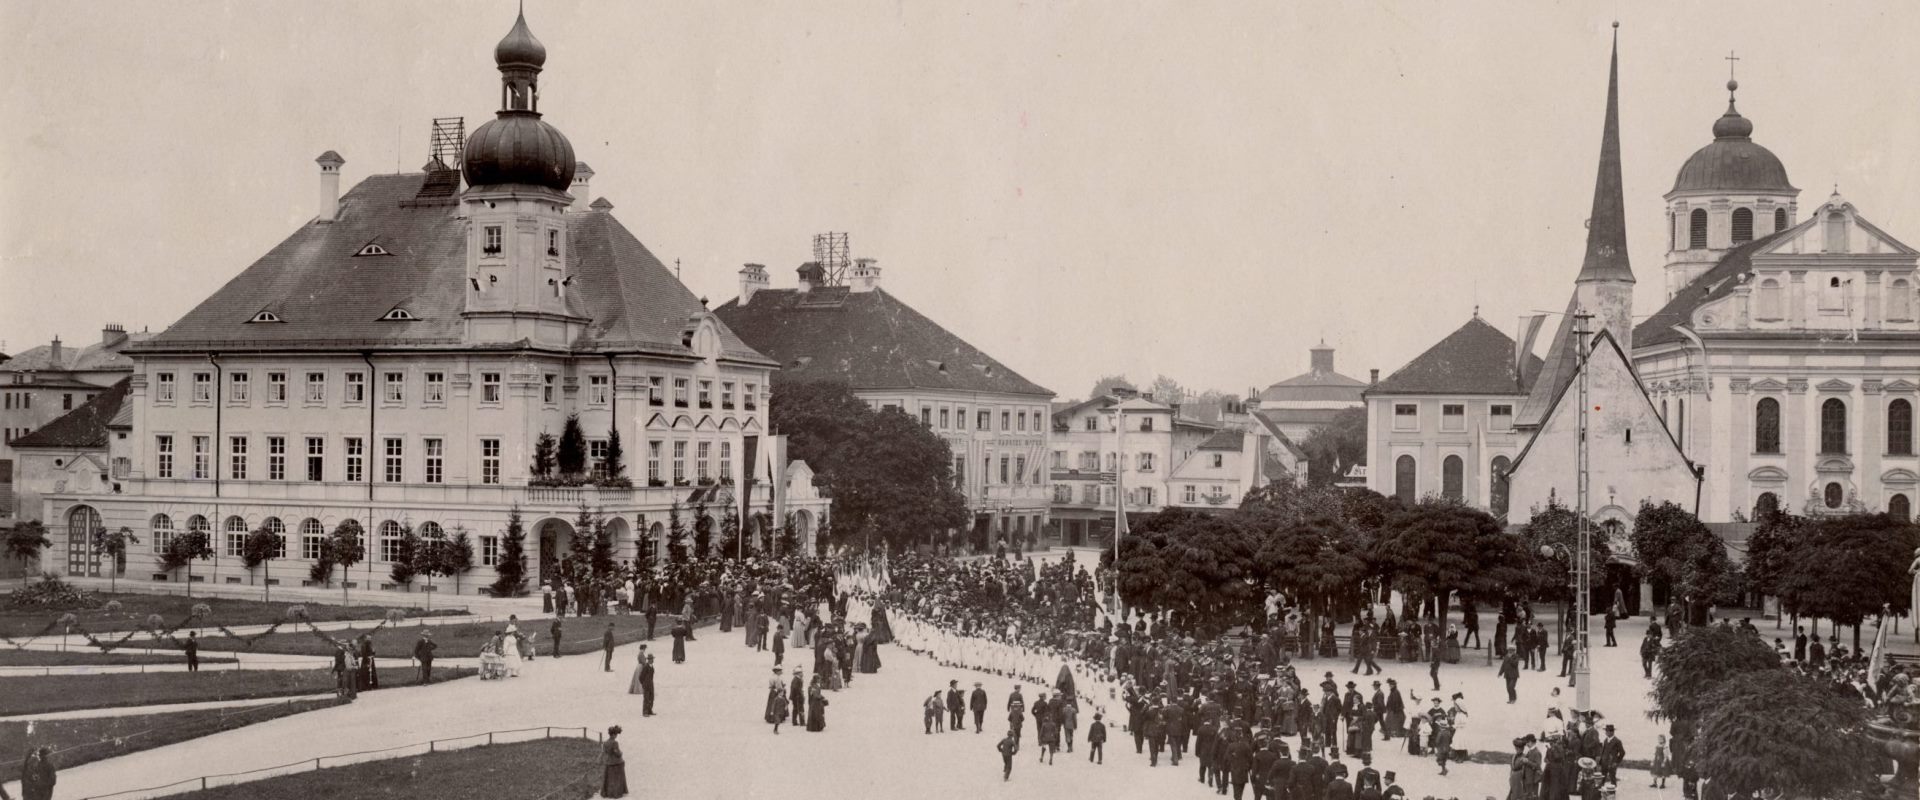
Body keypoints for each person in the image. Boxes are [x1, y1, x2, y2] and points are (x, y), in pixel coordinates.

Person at [601, 726, 629, 798]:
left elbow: (604, 752)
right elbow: (616, 753)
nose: (616, 736)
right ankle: (616, 793)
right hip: (616, 763)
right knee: (616, 779)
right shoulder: (615, 743)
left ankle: (607, 792)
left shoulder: (605, 742)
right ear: (613, 734)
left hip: (608, 762)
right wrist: (621, 753)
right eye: (616, 734)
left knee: (609, 779)